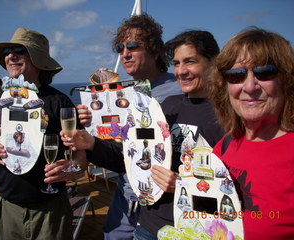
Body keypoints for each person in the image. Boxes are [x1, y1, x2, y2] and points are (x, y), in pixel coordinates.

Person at [62, 30, 224, 239]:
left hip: (194, 227)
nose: (181, 71)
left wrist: (184, 185)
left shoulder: (226, 115)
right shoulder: (169, 106)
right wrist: (91, 143)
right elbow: (134, 156)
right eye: (176, 63)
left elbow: (233, 186)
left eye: (190, 62)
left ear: (213, 63)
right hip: (149, 224)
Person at [78, 13, 181, 240]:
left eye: (133, 46)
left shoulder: (178, 91)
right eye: (121, 47)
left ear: (155, 51)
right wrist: (90, 125)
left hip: (163, 202)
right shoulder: (121, 95)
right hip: (126, 192)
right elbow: (118, 142)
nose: (125, 53)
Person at [0, 27, 85, 239]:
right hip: (7, 206)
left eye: (19, 50)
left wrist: (74, 168)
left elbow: (81, 154)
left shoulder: (59, 102)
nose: (10, 55)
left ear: (38, 59)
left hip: (50, 208)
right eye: (7, 50)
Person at [208, 27, 294, 240]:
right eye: (236, 75)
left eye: (264, 73)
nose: (249, 86)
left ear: (286, 80)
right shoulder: (225, 145)